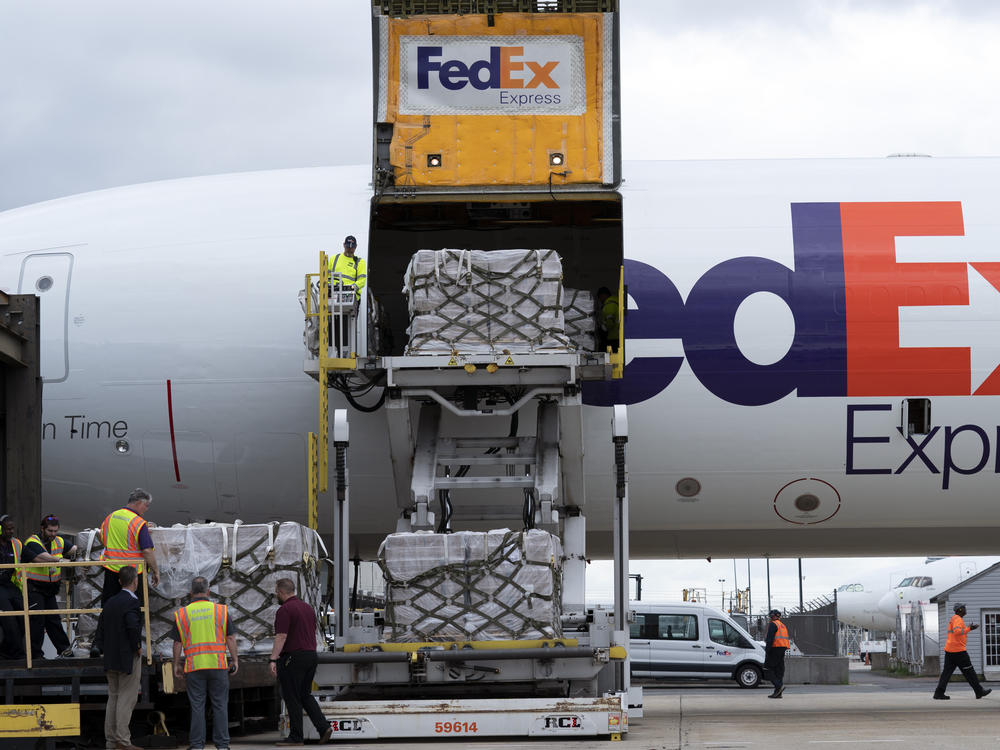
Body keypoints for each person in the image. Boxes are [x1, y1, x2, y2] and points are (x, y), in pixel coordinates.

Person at [172, 577, 238, 750]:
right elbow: (230, 637)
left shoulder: (182, 614)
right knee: (220, 705)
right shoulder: (221, 611)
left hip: (194, 667)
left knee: (197, 707)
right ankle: (223, 745)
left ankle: (196, 745)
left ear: (191, 593)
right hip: (218, 666)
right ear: (208, 592)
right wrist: (235, 660)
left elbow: (177, 643)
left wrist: (176, 664)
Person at [268, 578, 332, 746]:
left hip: (293, 658)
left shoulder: (285, 610)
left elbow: (281, 636)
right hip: (311, 656)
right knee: (304, 694)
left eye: (277, 592)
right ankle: (323, 727)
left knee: (291, 696)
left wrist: (273, 658)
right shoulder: (307, 608)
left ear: (282, 592)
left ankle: (296, 737)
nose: (277, 596)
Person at [97, 565, 143, 750]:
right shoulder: (132, 602)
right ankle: (123, 741)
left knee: (113, 697)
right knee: (126, 697)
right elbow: (132, 626)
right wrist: (137, 646)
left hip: (110, 656)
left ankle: (111, 741)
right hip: (126, 656)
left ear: (119, 581)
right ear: (135, 581)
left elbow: (101, 628)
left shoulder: (110, 602)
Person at [22, 514, 77, 659]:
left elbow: (74, 549)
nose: (53, 534)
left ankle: (65, 650)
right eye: (50, 531)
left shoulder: (59, 541)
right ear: (42, 529)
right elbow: (43, 556)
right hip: (34, 587)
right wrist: (61, 560)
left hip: (50, 589)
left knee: (54, 620)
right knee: (37, 622)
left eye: (55, 531)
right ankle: (35, 655)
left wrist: (79, 554)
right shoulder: (32, 541)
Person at [98, 488, 160, 604]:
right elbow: (147, 551)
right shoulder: (138, 523)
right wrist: (155, 571)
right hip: (132, 574)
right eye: (146, 505)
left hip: (111, 570)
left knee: (109, 605)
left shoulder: (110, 517)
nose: (146, 509)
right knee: (135, 608)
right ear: (138, 503)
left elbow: (103, 538)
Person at [933, 602, 992, 700]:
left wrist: (967, 628)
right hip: (958, 652)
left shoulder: (954, 619)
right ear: (960, 610)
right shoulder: (958, 619)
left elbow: (957, 631)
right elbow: (957, 632)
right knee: (970, 672)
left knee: (946, 673)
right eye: (964, 608)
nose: (965, 609)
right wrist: (969, 629)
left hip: (950, 651)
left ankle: (938, 693)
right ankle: (979, 691)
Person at [0, 514, 26, 660]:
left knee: (24, 617)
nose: (10, 532)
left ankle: (6, 651)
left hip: (10, 585)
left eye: (12, 529)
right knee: (9, 619)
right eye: (7, 529)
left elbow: (32, 556)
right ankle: (18, 655)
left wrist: (57, 559)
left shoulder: (16, 543)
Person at [328, 235, 366, 299]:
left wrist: (351, 288)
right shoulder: (334, 259)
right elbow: (327, 277)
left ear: (356, 247)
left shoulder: (360, 262)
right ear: (344, 245)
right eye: (348, 247)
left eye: (352, 248)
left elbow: (362, 280)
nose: (350, 250)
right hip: (333, 294)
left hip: (351, 295)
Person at [764, 609, 789, 698]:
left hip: (775, 648)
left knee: (767, 668)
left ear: (772, 616)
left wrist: (767, 650)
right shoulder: (782, 625)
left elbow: (770, 639)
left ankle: (778, 686)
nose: (770, 618)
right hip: (782, 648)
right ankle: (778, 693)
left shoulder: (773, 624)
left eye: (770, 616)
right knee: (779, 670)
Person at [595, 286, 620, 351]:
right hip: (617, 335)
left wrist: (602, 329)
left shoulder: (609, 305)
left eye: (600, 297)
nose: (600, 300)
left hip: (613, 336)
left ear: (603, 295)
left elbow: (609, 322)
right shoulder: (616, 302)